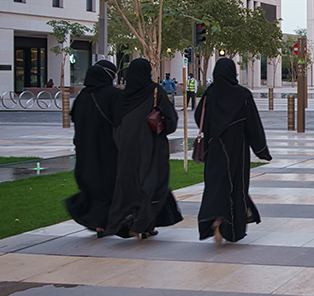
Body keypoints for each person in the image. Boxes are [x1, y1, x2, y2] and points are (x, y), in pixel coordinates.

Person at [103, 58, 183, 239]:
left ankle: (141, 222)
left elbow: (115, 124)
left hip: (127, 149)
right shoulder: (155, 91)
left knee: (132, 184)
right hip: (152, 146)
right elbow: (170, 120)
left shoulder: (123, 96)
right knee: (154, 184)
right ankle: (142, 222)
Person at [195, 58, 272, 244]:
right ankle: (229, 227)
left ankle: (215, 218)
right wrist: (261, 150)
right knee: (235, 186)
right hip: (237, 149)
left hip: (214, 148)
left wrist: (213, 130)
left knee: (214, 185)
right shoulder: (242, 95)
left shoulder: (210, 94)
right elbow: (253, 125)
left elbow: (199, 117)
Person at [65, 60, 120, 235]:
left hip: (84, 150)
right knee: (107, 184)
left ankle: (99, 223)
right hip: (108, 150)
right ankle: (103, 222)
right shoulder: (113, 95)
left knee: (91, 184)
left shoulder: (82, 97)